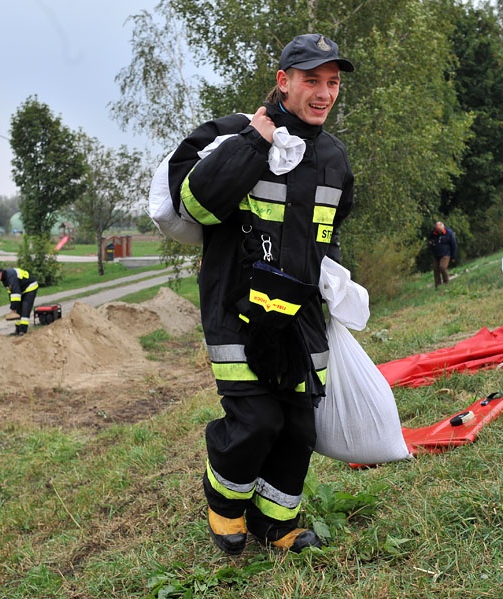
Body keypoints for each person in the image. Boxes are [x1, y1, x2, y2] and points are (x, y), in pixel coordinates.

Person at [167, 33, 355, 555]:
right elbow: (197, 207)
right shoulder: (235, 134)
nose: (324, 93)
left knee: (298, 424)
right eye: (312, 80)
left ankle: (276, 523)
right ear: (283, 81)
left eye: (333, 82)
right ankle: (225, 506)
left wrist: (338, 283)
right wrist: (255, 142)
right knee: (256, 419)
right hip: (237, 311)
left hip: (302, 316)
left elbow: (328, 233)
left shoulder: (335, 158)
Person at [0, 267, 39, 335]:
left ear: (1, 272)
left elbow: (15, 293)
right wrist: (13, 306)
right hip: (21, 289)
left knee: (25, 307)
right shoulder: (4, 279)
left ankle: (23, 331)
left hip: (30, 287)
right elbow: (11, 293)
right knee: (18, 309)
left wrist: (13, 308)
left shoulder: (11, 276)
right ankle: (18, 330)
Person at [429, 221, 457, 288]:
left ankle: (446, 282)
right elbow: (430, 239)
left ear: (443, 227)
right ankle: (437, 285)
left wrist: (453, 256)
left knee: (442, 267)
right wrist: (431, 243)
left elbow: (454, 245)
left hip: (446, 253)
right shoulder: (433, 232)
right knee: (436, 269)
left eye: (440, 230)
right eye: (438, 230)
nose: (439, 232)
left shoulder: (449, 233)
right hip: (436, 253)